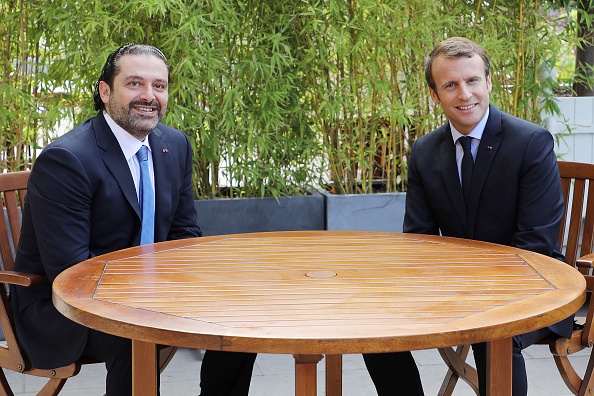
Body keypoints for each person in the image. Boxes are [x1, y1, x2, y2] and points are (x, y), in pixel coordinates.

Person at [10, 43, 256, 396]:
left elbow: (185, 234)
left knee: (243, 311)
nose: (149, 96)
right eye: (135, 84)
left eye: (159, 85)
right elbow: (71, 270)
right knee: (134, 331)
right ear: (105, 91)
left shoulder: (175, 145)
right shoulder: (67, 160)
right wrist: (151, 293)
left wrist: (201, 288)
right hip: (64, 307)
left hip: (150, 294)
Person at [362, 37, 574, 396]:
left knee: (494, 334)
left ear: (489, 82)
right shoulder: (425, 152)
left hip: (533, 287)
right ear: (435, 95)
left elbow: (535, 244)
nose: (464, 94)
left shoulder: (531, 143)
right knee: (370, 328)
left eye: (472, 80)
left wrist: (476, 296)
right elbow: (420, 241)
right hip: (455, 288)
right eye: (450, 85)